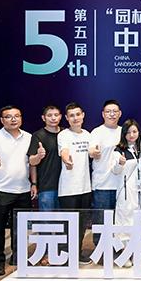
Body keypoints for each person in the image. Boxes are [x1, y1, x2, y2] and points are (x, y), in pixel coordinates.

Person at [0, 105, 32, 276]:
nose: (13, 119)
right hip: (1, 189)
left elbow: (31, 163)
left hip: (23, 189)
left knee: (20, 227)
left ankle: (17, 256)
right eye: (9, 116)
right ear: (2, 120)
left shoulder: (28, 137)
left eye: (17, 116)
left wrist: (34, 183)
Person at [57, 102, 92, 264]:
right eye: (71, 115)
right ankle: (65, 256)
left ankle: (77, 253)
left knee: (82, 223)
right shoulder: (63, 135)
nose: (75, 118)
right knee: (68, 224)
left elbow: (92, 152)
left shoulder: (88, 135)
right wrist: (66, 160)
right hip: (68, 188)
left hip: (85, 187)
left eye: (78, 114)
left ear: (83, 115)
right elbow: (64, 151)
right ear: (67, 118)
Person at [111, 119, 141, 266]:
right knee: (124, 221)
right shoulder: (118, 150)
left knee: (138, 220)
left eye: (134, 132)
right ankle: (124, 254)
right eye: (128, 132)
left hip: (140, 191)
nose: (132, 135)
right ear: (123, 134)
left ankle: (135, 252)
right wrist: (120, 163)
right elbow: (115, 171)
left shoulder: (140, 149)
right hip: (125, 192)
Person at [89, 100, 122, 248]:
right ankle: (101, 250)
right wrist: (94, 153)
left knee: (119, 220)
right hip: (103, 184)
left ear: (120, 113)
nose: (112, 114)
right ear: (103, 114)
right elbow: (91, 151)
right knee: (101, 220)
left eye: (115, 111)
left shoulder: (124, 131)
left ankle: (118, 248)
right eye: (108, 111)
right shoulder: (97, 132)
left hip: (121, 184)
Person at [27, 105, 63, 212]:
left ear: (60, 117)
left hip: (66, 186)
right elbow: (31, 161)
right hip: (47, 187)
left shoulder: (66, 133)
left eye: (56, 115)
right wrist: (38, 156)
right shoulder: (38, 136)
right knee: (46, 220)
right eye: (49, 115)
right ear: (43, 118)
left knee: (65, 220)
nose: (53, 118)